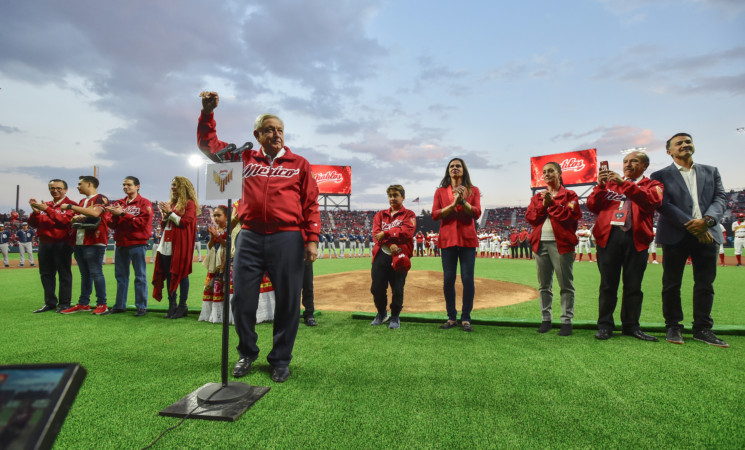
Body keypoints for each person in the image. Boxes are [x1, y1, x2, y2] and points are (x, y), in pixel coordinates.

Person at [197, 91, 320, 383]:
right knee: (242, 299)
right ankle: (247, 352)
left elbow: (311, 204)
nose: (276, 135)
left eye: (280, 130)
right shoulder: (243, 158)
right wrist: (207, 113)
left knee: (289, 302)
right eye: (269, 130)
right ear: (257, 134)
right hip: (250, 237)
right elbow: (208, 145)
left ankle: (280, 359)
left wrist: (312, 239)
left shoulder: (299, 163)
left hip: (288, 237)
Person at [650, 132, 729, 347]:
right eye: (679, 143)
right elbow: (663, 204)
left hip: (708, 231)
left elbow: (721, 198)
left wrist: (709, 220)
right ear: (669, 151)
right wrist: (695, 225)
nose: (685, 145)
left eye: (688, 141)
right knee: (671, 283)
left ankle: (702, 328)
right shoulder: (659, 175)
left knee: (705, 284)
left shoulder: (711, 171)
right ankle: (673, 326)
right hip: (677, 234)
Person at [587, 152, 663, 341]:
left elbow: (651, 203)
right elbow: (592, 206)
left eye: (634, 161)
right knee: (607, 285)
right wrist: (600, 186)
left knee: (633, 286)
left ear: (645, 166)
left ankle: (631, 326)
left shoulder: (653, 185)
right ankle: (605, 326)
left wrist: (624, 184)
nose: (628, 164)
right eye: (625, 161)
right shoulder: (609, 185)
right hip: (609, 238)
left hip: (636, 239)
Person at [525, 162, 581, 336]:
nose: (547, 174)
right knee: (544, 285)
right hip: (540, 243)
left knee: (565, 284)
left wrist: (551, 205)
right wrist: (544, 204)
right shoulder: (537, 197)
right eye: (544, 172)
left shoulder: (570, 195)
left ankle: (566, 321)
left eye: (551, 171)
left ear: (559, 173)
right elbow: (531, 218)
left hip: (561, 244)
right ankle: (546, 319)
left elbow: (570, 218)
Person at [432, 158, 481, 332]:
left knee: (467, 279)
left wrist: (463, 201)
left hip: (467, 239)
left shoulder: (473, 190)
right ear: (448, 171)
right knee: (448, 279)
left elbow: (476, 213)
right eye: (451, 166)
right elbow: (435, 215)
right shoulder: (440, 192)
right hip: (447, 240)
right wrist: (453, 204)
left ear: (463, 170)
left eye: (458, 166)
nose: (454, 168)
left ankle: (466, 317)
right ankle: (451, 317)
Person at [60, 176, 111, 315]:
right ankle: (84, 303)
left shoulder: (101, 198)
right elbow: (73, 219)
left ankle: (102, 303)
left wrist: (71, 206)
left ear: (89, 184)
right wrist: (74, 217)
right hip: (80, 240)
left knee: (96, 272)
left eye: (79, 184)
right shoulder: (83, 201)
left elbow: (95, 212)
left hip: (94, 241)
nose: (77, 186)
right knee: (85, 274)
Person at [104, 176, 153, 317]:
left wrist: (123, 214)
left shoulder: (144, 203)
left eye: (129, 185)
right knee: (121, 276)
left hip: (137, 243)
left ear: (138, 186)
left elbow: (142, 223)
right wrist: (112, 214)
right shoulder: (120, 203)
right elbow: (112, 224)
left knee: (140, 276)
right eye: (124, 185)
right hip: (121, 243)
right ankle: (120, 305)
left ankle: (141, 306)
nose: (126, 187)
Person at [370, 185, 416, 329]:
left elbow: (407, 232)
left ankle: (395, 316)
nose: (392, 198)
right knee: (377, 287)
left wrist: (386, 233)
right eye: (390, 196)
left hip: (400, 255)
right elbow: (376, 234)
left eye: (395, 195)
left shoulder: (409, 214)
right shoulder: (380, 215)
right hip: (381, 255)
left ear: (403, 197)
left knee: (397, 288)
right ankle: (382, 313)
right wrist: (390, 243)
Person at [152, 177, 198, 319]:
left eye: (175, 185)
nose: (172, 187)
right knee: (168, 274)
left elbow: (184, 223)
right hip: (166, 244)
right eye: (172, 184)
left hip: (180, 244)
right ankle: (172, 305)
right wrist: (165, 215)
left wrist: (169, 213)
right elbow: (165, 224)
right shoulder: (173, 203)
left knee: (182, 274)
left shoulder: (189, 204)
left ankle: (183, 305)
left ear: (183, 187)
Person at [28, 179, 76, 313]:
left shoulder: (71, 205)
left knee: (64, 274)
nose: (55, 190)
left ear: (66, 190)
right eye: (52, 188)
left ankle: (65, 303)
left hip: (62, 243)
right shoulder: (45, 205)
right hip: (45, 243)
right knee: (46, 274)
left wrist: (47, 210)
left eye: (58, 188)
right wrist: (36, 213)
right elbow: (33, 224)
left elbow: (65, 221)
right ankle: (49, 303)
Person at [200, 205, 228, 323]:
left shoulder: (230, 229)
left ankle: (225, 314)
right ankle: (214, 314)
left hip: (224, 262)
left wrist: (217, 236)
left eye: (219, 215)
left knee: (223, 287)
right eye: (214, 215)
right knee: (211, 286)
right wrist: (213, 236)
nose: (216, 218)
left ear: (226, 216)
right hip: (214, 262)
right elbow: (211, 245)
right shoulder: (216, 228)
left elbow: (228, 245)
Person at [301, 262, 317, 326]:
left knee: (308, 285)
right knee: (291, 287)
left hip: (305, 256)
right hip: (289, 257)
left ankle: (309, 315)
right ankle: (291, 314)